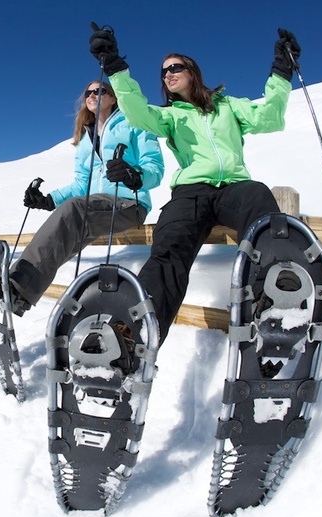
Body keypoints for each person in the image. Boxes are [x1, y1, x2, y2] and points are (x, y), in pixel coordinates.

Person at [88, 26, 301, 342]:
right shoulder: (170, 116)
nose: (168, 75)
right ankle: (132, 334)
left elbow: (270, 118)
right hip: (191, 193)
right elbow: (136, 113)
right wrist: (116, 67)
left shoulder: (227, 106)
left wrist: (282, 71)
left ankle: (274, 293)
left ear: (193, 72)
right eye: (163, 72)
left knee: (258, 195)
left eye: (175, 67)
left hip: (234, 187)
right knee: (169, 249)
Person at [0, 80, 165, 321]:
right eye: (88, 92)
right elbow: (81, 185)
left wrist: (133, 175)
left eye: (100, 91)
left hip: (128, 204)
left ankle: (14, 287)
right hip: (94, 207)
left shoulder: (133, 124)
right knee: (59, 244)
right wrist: (47, 200)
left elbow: (154, 167)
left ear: (113, 98)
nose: (93, 95)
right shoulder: (86, 140)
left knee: (72, 210)